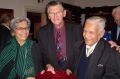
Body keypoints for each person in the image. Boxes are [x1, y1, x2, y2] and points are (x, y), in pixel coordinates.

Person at [32, 1, 83, 75]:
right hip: (52, 73)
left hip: (72, 73)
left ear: (64, 13)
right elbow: (41, 53)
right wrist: (47, 65)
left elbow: (81, 52)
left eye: (58, 12)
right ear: (48, 16)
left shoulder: (77, 29)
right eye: (52, 13)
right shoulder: (42, 32)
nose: (55, 16)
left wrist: (72, 68)